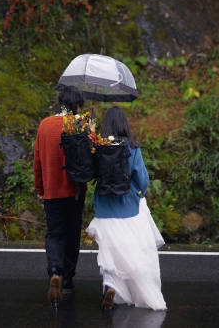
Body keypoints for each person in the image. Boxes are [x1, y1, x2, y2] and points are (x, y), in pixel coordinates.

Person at [86, 106, 167, 311]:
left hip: (104, 208)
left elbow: (91, 174)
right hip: (128, 207)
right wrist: (138, 195)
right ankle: (131, 289)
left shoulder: (98, 146)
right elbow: (142, 179)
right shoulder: (132, 147)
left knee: (109, 251)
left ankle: (111, 288)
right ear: (124, 123)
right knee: (132, 251)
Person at [33, 84, 87, 303]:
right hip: (75, 191)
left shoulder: (44, 125)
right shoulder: (81, 125)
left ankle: (55, 270)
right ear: (75, 105)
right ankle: (67, 282)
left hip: (52, 192)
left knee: (55, 234)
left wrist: (40, 188)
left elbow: (37, 160)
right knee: (73, 235)